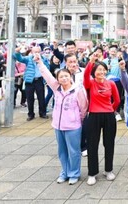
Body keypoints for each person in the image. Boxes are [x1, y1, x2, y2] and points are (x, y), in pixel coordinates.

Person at [35, 53, 88, 185]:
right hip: (58, 126)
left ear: (70, 77)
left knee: (74, 151)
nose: (64, 78)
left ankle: (74, 173)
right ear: (57, 79)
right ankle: (65, 172)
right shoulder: (56, 88)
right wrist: (40, 62)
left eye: (66, 76)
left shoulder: (77, 90)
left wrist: (78, 120)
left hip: (73, 126)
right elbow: (47, 75)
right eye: (61, 77)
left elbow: (83, 108)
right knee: (62, 151)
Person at [83, 51, 120, 185]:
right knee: (92, 145)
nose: (101, 72)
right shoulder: (90, 83)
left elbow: (116, 100)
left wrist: (111, 110)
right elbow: (86, 75)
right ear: (94, 71)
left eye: (103, 69)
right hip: (94, 116)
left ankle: (108, 170)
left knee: (109, 143)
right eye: (99, 70)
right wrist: (91, 61)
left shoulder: (111, 83)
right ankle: (92, 173)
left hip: (109, 116)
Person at [14, 46, 50, 121]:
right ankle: (30, 114)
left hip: (39, 80)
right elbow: (20, 59)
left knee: (41, 98)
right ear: (32, 52)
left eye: (38, 52)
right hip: (29, 81)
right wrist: (17, 52)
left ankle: (42, 113)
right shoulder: (28, 58)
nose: (37, 53)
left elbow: (47, 68)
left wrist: (40, 62)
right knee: (30, 98)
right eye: (35, 52)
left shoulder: (44, 59)